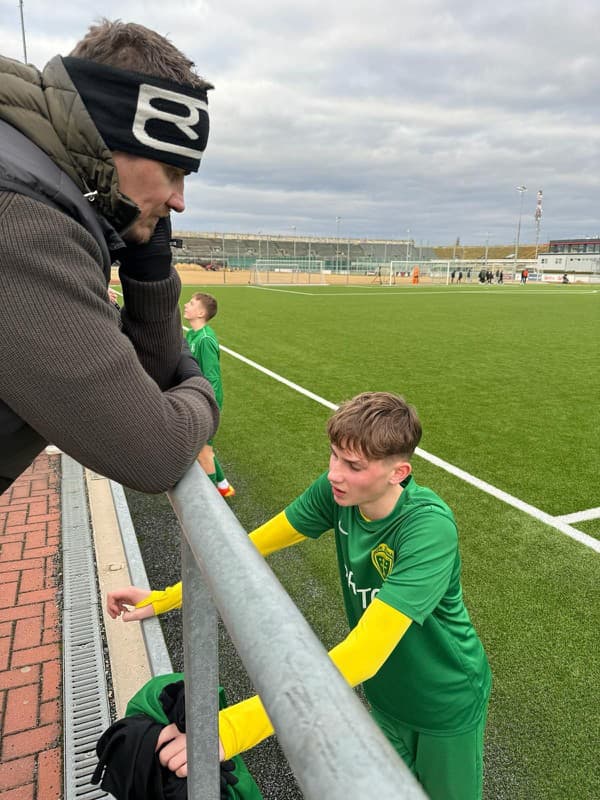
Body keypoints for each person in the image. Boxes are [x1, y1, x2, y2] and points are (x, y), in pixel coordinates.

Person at [108, 392, 492, 800]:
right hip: (384, 696)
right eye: (334, 457)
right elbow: (243, 549)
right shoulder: (338, 495)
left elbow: (365, 652)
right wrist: (167, 597)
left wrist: (235, 726)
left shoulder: (427, 529)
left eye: (353, 466)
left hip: (445, 700)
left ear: (399, 472)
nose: (335, 474)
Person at [0, 20, 220, 494]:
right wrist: (203, 390)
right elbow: (154, 453)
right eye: (172, 171)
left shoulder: (37, 184)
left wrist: (151, 268)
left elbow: (150, 375)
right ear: (110, 137)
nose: (179, 200)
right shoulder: (23, 216)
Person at [183, 293, 235, 497]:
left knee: (203, 450)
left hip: (206, 400)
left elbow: (212, 376)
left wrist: (207, 404)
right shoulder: (192, 335)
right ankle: (223, 486)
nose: (186, 305)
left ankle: (212, 500)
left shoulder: (205, 339)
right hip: (197, 397)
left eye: (192, 303)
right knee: (204, 447)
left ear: (201, 313)